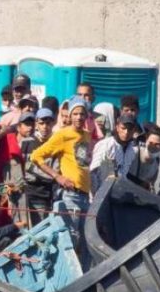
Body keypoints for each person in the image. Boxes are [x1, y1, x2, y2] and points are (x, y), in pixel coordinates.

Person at [31, 98, 92, 261]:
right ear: (70, 116)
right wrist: (58, 176)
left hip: (85, 195)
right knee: (71, 238)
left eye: (82, 114)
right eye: (75, 114)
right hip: (71, 194)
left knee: (85, 243)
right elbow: (36, 156)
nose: (79, 117)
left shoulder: (87, 135)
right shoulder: (63, 135)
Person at [22, 108, 57, 225]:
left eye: (48, 123)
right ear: (36, 124)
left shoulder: (56, 143)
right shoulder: (26, 142)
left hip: (47, 195)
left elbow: (54, 173)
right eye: (41, 123)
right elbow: (23, 168)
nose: (45, 127)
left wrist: (31, 168)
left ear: (53, 124)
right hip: (29, 193)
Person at [89, 114, 140, 193]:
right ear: (117, 127)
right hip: (101, 192)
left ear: (134, 131)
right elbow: (93, 171)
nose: (126, 132)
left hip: (118, 193)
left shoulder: (132, 150)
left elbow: (125, 174)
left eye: (130, 129)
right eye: (123, 128)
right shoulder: (106, 145)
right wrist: (96, 194)